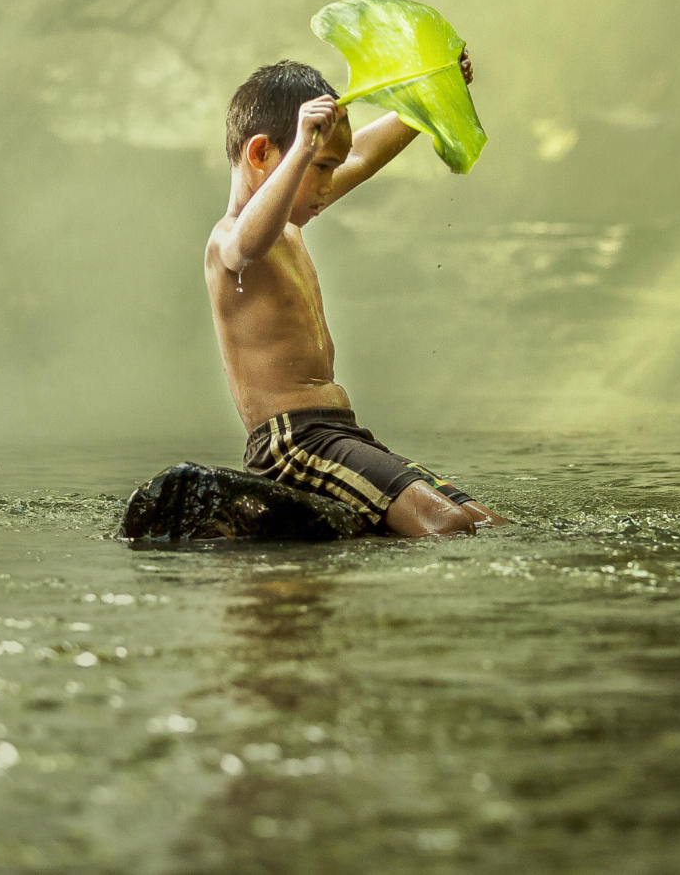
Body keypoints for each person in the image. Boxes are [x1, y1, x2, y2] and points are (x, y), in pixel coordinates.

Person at [205, 57, 504, 537]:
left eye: (330, 170)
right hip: (292, 442)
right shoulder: (230, 240)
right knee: (445, 524)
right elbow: (248, 244)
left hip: (339, 432)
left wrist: (428, 96)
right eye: (319, 168)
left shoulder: (292, 217)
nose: (326, 187)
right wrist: (305, 147)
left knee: (486, 523)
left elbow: (361, 156)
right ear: (261, 153)